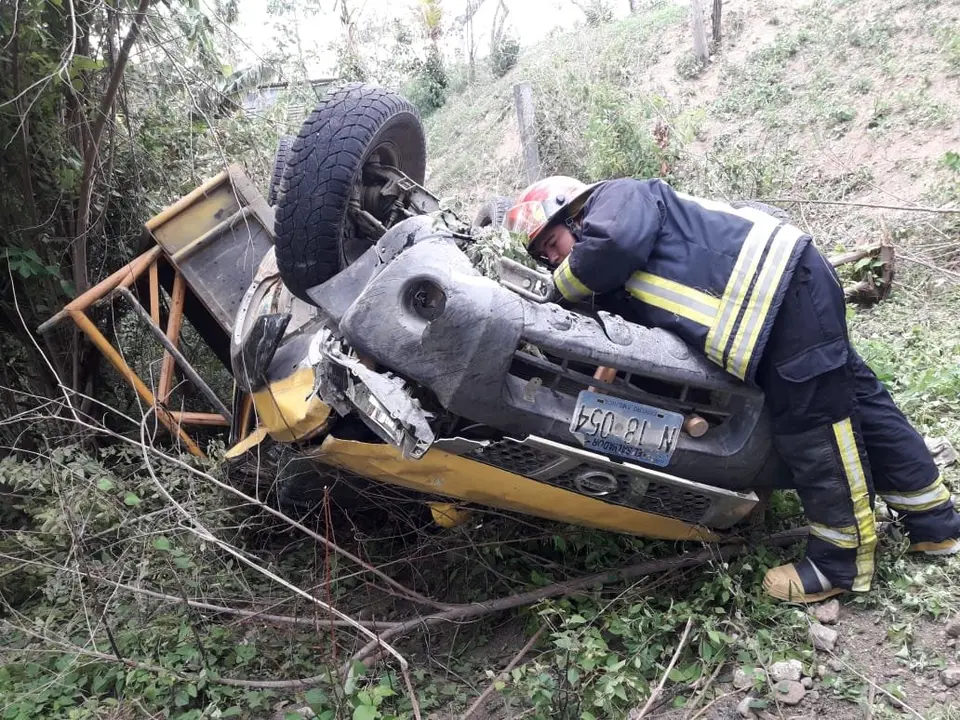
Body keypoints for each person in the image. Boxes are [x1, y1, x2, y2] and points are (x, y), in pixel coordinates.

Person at [504, 175, 960, 603]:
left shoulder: (619, 199)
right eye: (543, 258)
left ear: (574, 214)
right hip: (788, 295)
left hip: (780, 298)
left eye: (551, 244)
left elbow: (613, 246)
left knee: (816, 429)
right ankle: (934, 521)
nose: (554, 260)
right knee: (860, 400)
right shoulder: (619, 273)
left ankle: (842, 562)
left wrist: (552, 294)